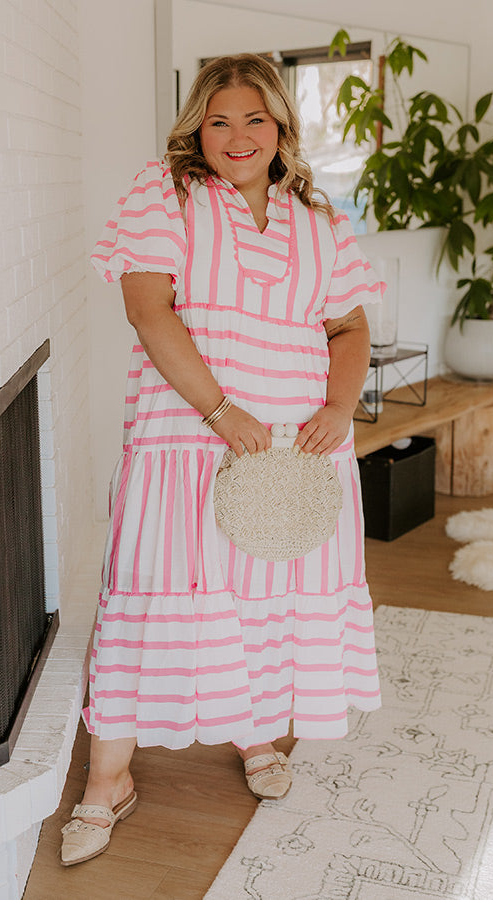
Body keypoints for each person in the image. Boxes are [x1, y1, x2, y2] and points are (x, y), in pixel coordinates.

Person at [60, 52, 383, 867]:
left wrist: (340, 408)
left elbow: (347, 328)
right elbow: (147, 308)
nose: (237, 136)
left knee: (268, 595)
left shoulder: (320, 218)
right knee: (153, 594)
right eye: (218, 120)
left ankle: (254, 736)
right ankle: (108, 781)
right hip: (186, 444)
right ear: (195, 128)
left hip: (296, 451)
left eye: (255, 119)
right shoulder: (164, 194)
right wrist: (219, 410)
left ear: (281, 128)